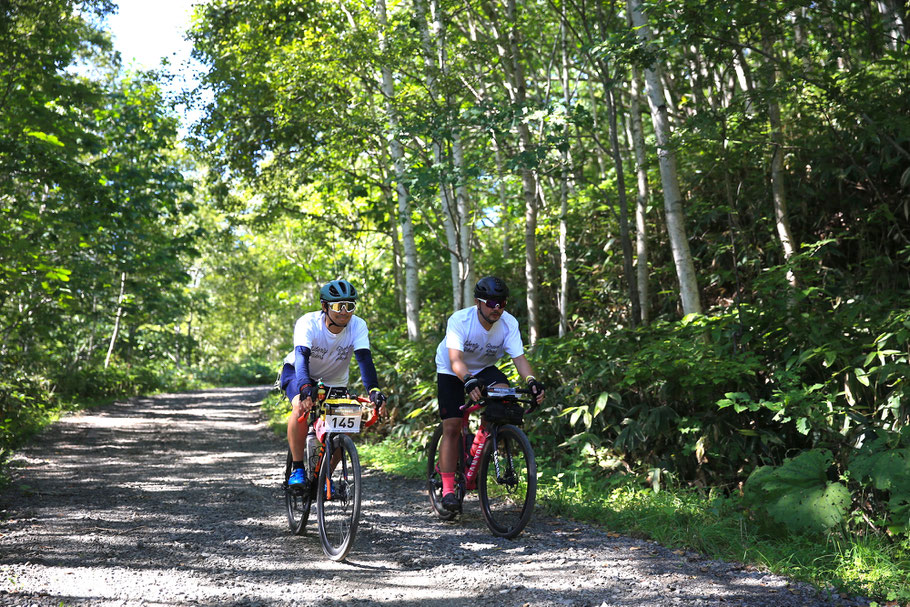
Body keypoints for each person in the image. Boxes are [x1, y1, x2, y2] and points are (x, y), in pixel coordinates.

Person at [434, 275, 545, 512]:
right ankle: (448, 490)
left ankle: (480, 446)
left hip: (484, 368)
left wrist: (533, 381)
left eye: (502, 304)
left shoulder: (508, 323)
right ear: (478, 302)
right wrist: (467, 380)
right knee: (452, 426)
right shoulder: (460, 321)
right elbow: (455, 360)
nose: (497, 309)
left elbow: (520, 359)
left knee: (505, 397)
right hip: (452, 369)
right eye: (492, 303)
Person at [279, 279, 386, 487]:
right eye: (338, 306)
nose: (345, 312)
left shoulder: (358, 326)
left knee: (344, 424)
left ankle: (323, 475)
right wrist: (304, 388)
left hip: (334, 379)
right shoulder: (308, 323)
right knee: (300, 407)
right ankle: (298, 469)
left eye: (350, 306)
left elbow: (364, 359)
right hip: (298, 372)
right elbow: (301, 357)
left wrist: (374, 390)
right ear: (324, 306)